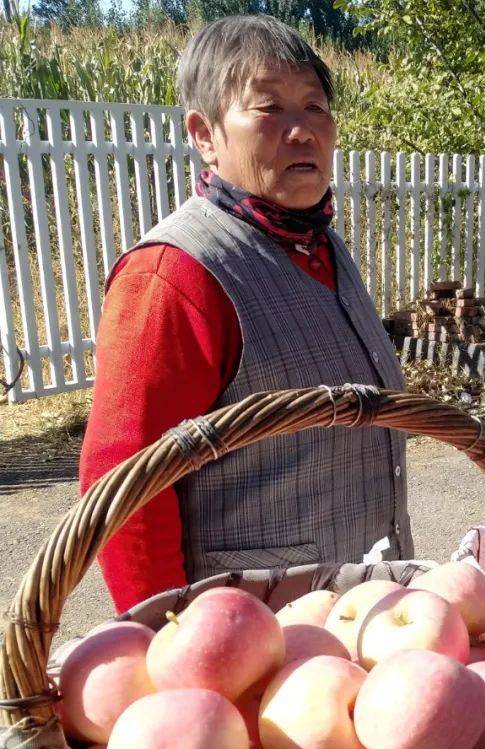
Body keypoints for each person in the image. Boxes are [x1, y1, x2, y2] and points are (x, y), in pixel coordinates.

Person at [79, 15, 412, 613]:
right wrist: (172, 641)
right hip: (251, 640)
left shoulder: (322, 247)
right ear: (205, 134)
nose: (302, 131)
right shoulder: (175, 275)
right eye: (269, 109)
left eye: (315, 106)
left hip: (361, 626)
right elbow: (123, 492)